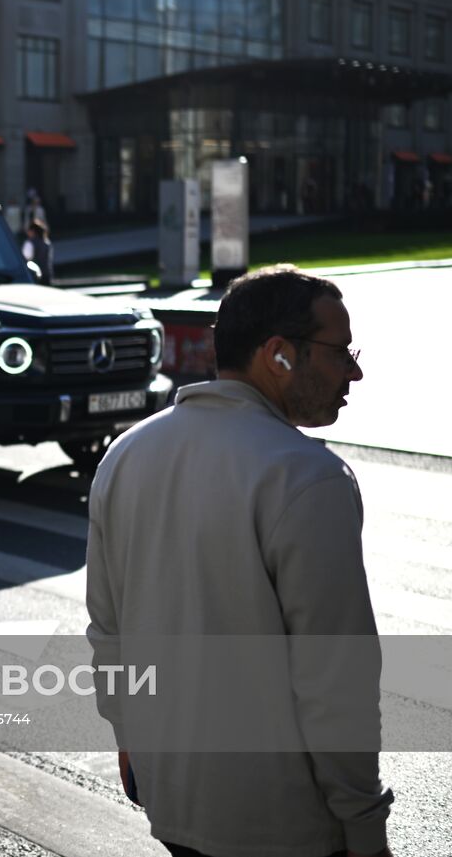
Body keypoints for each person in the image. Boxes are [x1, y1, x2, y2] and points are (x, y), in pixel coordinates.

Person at [86, 265, 392, 857]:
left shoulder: (126, 454)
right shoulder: (307, 476)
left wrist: (133, 741)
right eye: (340, 350)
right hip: (289, 824)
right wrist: (365, 826)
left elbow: (109, 634)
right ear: (278, 355)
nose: (354, 369)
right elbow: (337, 681)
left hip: (174, 803)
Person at [21, 219, 54, 285]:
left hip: (35, 275)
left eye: (29, 231)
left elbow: (25, 258)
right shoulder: (47, 242)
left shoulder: (30, 243)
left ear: (32, 231)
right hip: (47, 274)